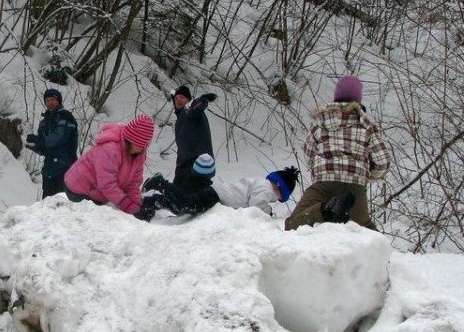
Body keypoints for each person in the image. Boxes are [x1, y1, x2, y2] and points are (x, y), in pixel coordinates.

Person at [285, 76, 391, 231]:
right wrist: (367, 176)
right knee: (366, 232)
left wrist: (319, 168)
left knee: (293, 224)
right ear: (358, 99)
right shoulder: (366, 125)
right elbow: (383, 162)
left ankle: (325, 209)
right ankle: (382, 253)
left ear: (336, 96)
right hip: (355, 187)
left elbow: (308, 154)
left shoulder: (320, 121)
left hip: (324, 183)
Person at [142, 155, 300, 218]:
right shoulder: (266, 188)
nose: (277, 200)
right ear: (280, 190)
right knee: (187, 205)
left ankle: (156, 201)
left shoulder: (260, 183)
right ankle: (160, 183)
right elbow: (256, 205)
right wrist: (268, 213)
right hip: (217, 195)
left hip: (218, 194)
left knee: (183, 207)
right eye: (281, 198)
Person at [63, 114, 155, 220]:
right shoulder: (110, 150)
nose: (142, 148)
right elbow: (107, 184)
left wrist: (137, 204)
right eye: (140, 144)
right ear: (132, 139)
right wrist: (129, 207)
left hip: (98, 192)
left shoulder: (138, 154)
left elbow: (132, 183)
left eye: (145, 145)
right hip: (78, 188)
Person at [25, 88, 79, 198]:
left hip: (66, 167)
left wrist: (40, 141)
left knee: (64, 204)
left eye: (53, 100)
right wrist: (34, 146)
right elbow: (44, 148)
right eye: (47, 100)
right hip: (49, 170)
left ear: (58, 101)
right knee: (47, 206)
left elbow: (58, 138)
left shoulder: (66, 116)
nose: (50, 103)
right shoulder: (44, 122)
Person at [169, 85, 217, 187]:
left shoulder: (190, 110)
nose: (178, 100)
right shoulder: (180, 119)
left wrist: (203, 99)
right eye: (176, 98)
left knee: (188, 194)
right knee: (175, 193)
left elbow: (197, 105)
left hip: (198, 162)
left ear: (188, 99)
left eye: (182, 97)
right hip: (183, 164)